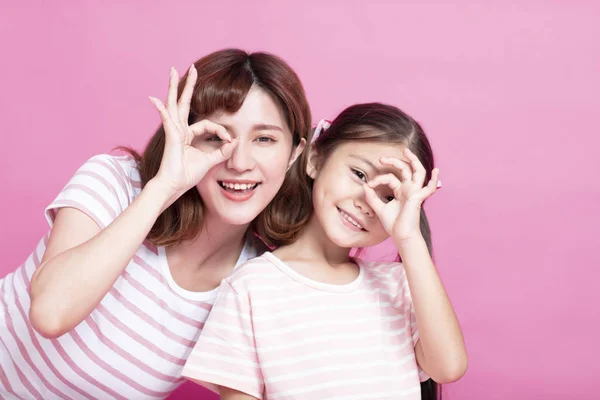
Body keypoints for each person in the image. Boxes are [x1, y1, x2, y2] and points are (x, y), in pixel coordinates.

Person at [0, 48, 312, 399]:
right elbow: (50, 312)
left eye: (264, 139)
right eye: (217, 137)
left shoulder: (253, 285)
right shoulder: (116, 181)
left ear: (295, 155)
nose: (239, 162)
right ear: (185, 136)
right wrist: (163, 188)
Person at [182, 103, 468, 399]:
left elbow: (448, 368)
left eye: (388, 196)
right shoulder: (251, 288)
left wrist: (409, 239)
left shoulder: (399, 286)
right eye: (358, 174)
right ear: (315, 159)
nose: (366, 201)